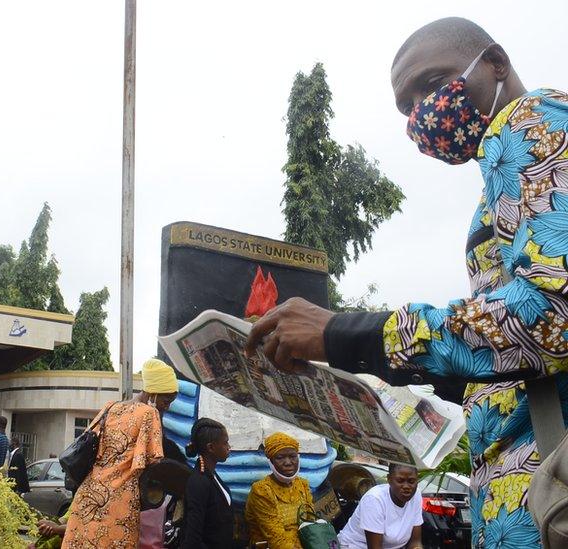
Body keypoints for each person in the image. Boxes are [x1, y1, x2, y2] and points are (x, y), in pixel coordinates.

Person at [243, 17, 568, 547]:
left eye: (433, 84)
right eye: (406, 106)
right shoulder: (497, 184)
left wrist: (348, 333)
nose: (422, 111)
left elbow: (553, 316)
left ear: (497, 63)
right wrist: (391, 377)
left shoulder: (534, 123)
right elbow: (518, 362)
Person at [62, 358, 177, 548]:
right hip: (119, 500)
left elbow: (86, 442)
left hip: (89, 495)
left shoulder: (110, 407)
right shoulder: (150, 413)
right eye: (167, 400)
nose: (168, 406)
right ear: (154, 392)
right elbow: (154, 461)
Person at [244, 432, 314, 549]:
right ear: (271, 461)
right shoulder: (262, 491)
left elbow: (311, 524)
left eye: (292, 456)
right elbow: (276, 540)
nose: (288, 463)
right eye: (280, 458)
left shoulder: (302, 484)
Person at [338, 464, 423, 549]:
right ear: (389, 479)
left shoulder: (416, 496)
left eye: (411, 481)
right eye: (400, 481)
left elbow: (415, 542)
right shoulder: (374, 499)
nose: (406, 486)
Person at [180, 418, 233, 549]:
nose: (229, 447)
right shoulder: (199, 482)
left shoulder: (211, 475)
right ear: (211, 447)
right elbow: (193, 534)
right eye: (225, 443)